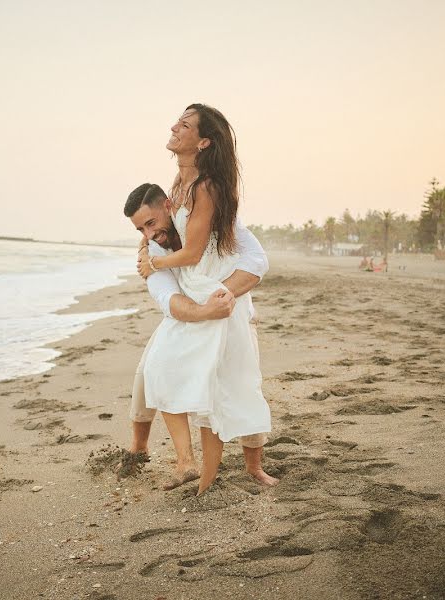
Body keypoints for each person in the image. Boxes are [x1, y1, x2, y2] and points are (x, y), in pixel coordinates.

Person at [137, 104, 275, 495]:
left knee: (224, 386)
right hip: (195, 288)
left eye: (184, 124)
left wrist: (155, 265)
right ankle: (192, 467)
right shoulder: (179, 185)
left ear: (203, 141)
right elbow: (163, 228)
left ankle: (214, 481)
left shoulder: (207, 186)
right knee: (163, 371)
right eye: (176, 121)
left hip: (209, 288)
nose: (174, 127)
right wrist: (149, 249)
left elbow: (195, 252)